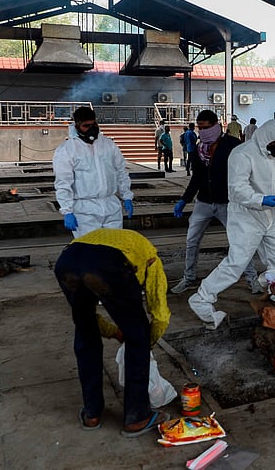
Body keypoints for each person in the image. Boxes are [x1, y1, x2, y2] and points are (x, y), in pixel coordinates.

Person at [187, 119, 275, 326]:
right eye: (274, 142)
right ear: (264, 138)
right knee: (237, 263)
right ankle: (202, 298)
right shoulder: (242, 154)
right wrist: (261, 199)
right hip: (246, 217)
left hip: (270, 215)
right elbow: (237, 189)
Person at [54, 228, 171, 437]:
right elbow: (160, 315)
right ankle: (137, 417)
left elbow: (89, 318)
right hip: (108, 266)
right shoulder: (151, 257)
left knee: (84, 329)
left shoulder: (121, 240)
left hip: (67, 262)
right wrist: (146, 342)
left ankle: (92, 413)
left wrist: (115, 332)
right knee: (137, 334)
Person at [171, 110, 262, 296]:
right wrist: (184, 199)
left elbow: (247, 174)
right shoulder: (198, 149)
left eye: (206, 127)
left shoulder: (233, 146)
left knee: (239, 242)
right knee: (191, 240)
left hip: (228, 203)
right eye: (200, 128)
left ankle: (252, 278)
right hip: (203, 202)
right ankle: (189, 278)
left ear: (216, 125)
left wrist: (252, 197)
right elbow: (196, 178)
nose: (203, 131)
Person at [53, 106, 134, 239]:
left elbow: (121, 172)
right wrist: (67, 210)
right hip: (84, 211)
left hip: (111, 206)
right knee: (90, 252)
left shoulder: (108, 145)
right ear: (77, 126)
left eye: (93, 124)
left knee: (113, 249)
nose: (91, 129)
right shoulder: (67, 150)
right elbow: (63, 182)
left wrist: (127, 196)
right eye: (86, 126)